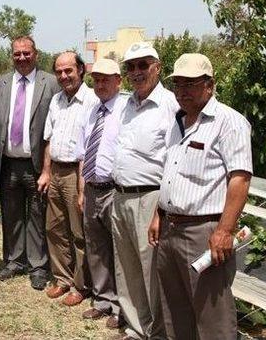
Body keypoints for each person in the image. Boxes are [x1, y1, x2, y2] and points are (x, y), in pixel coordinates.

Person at [148, 53, 252, 339]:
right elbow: (171, 172)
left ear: (210, 85)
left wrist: (225, 230)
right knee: (175, 312)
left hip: (204, 232)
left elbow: (240, 179)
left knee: (212, 318)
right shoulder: (177, 121)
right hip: (170, 228)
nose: (183, 91)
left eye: (191, 84)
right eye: (178, 84)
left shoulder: (229, 122)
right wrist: (159, 214)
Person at [111, 42, 178, 339]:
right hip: (121, 195)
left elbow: (175, 162)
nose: (136, 72)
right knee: (127, 268)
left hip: (150, 198)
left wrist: (161, 210)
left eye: (143, 65)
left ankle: (158, 332)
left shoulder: (170, 106)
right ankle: (137, 328)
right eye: (131, 66)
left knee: (151, 270)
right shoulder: (128, 104)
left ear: (157, 67)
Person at [0, 35, 61, 290]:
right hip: (7, 163)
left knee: (37, 215)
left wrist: (49, 168)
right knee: (11, 214)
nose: (21, 58)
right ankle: (14, 260)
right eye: (17, 54)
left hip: (36, 164)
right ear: (12, 55)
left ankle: (38, 265)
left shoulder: (50, 83)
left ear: (35, 54)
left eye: (26, 53)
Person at [39, 51, 95, 305]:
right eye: (59, 71)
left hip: (76, 173)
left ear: (81, 70)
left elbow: (89, 148)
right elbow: (49, 140)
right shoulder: (56, 101)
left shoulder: (92, 101)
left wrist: (83, 189)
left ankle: (81, 286)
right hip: (57, 172)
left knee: (78, 232)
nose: (64, 76)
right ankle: (62, 279)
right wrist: (46, 172)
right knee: (54, 229)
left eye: (68, 70)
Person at [77, 58, 127, 330]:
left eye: (107, 79)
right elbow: (85, 152)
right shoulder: (92, 110)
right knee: (96, 248)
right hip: (92, 188)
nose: (101, 84)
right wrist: (82, 188)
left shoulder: (126, 109)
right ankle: (102, 299)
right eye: (96, 79)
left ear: (119, 80)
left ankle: (122, 306)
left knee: (119, 251)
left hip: (114, 191)